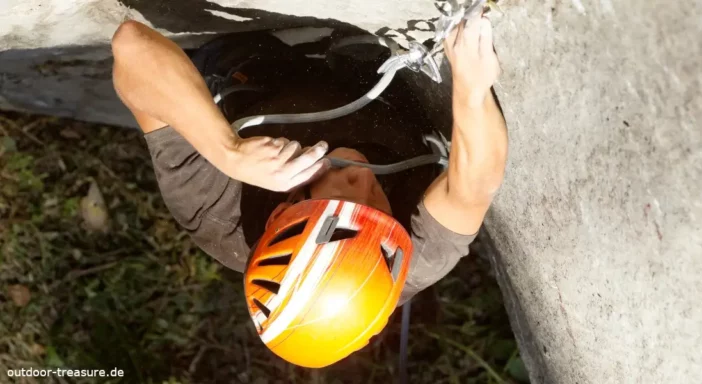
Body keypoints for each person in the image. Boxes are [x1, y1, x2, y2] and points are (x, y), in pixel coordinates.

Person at [111, 14, 506, 368]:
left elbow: (132, 46)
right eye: (379, 208)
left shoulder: (217, 210)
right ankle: (355, 62)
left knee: (239, 60)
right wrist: (471, 90)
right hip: (383, 101)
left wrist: (226, 151)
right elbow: (476, 183)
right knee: (372, 69)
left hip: (263, 75)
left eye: (341, 196)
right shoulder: (409, 257)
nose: (364, 180)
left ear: (281, 214)